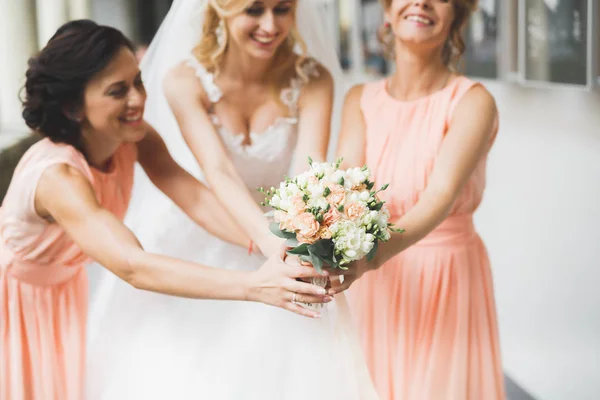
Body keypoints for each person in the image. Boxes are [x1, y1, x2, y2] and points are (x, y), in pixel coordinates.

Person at [0, 19, 330, 400]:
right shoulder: (58, 177)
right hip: (16, 306)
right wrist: (254, 286)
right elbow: (133, 265)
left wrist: (273, 245)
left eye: (137, 82)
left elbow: (194, 197)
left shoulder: (134, 138)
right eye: (117, 91)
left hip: (63, 292)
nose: (138, 99)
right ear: (73, 107)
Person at [86, 1, 378, 399]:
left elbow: (307, 174)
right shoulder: (183, 80)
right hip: (206, 232)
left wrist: (297, 243)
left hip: (285, 231)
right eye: (254, 10)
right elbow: (218, 171)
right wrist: (269, 241)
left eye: (282, 9)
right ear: (221, 9)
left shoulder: (313, 79)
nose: (270, 25)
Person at [333, 1, 507, 399]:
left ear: (456, 17)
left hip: (443, 275)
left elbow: (439, 197)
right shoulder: (359, 99)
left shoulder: (472, 101)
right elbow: (344, 191)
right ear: (388, 12)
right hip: (374, 282)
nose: (422, 2)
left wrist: (371, 257)